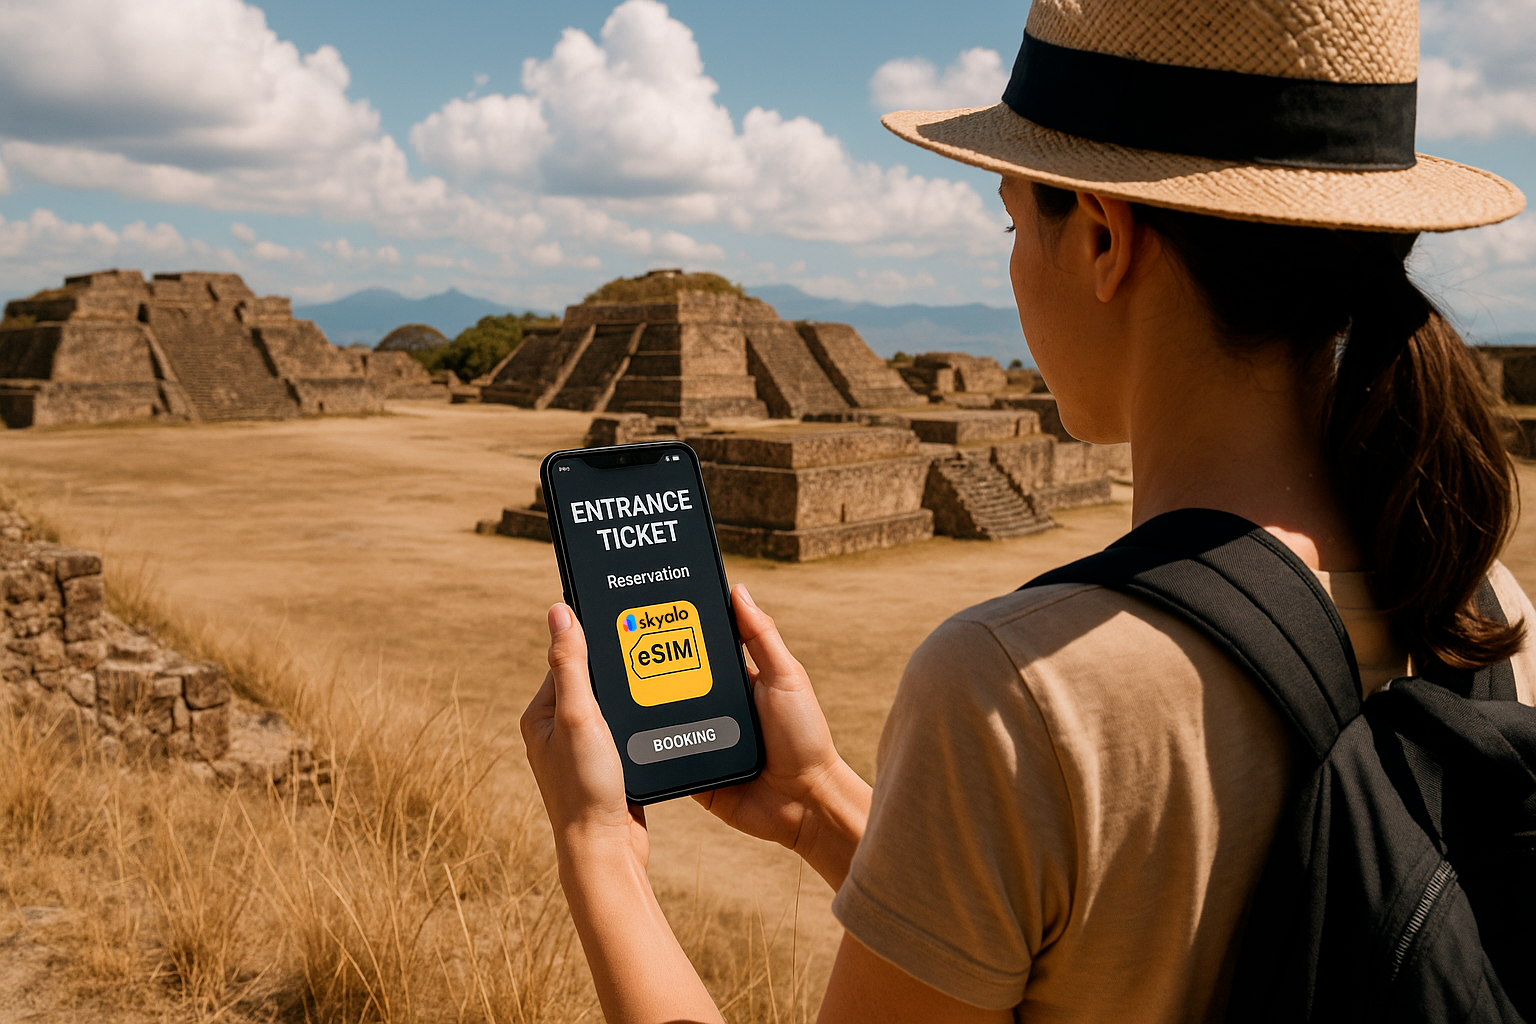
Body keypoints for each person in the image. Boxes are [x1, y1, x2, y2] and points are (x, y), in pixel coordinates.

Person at [521, 0, 1532, 1020]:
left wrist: (598, 847)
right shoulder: (1483, 613)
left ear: (1101, 237)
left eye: (1013, 218)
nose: (1008, 262)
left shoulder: (1020, 688)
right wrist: (820, 799)